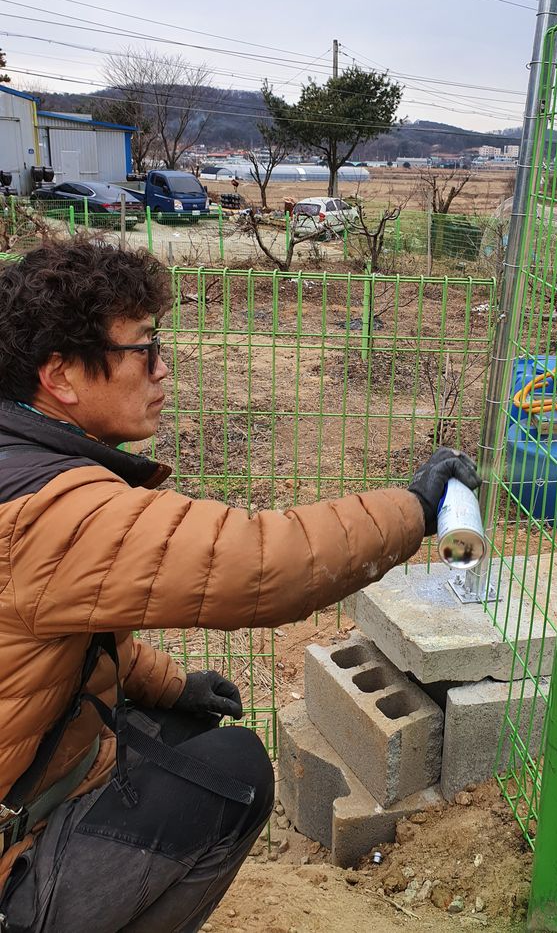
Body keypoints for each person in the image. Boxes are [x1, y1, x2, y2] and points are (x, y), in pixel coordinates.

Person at [0, 238, 480, 933]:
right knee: (237, 771)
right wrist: (415, 508)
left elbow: (69, 641)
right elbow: (258, 564)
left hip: (28, 759)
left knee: (184, 730)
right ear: (62, 376)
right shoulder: (44, 511)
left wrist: (174, 687)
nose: (163, 367)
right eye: (145, 347)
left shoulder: (18, 459)